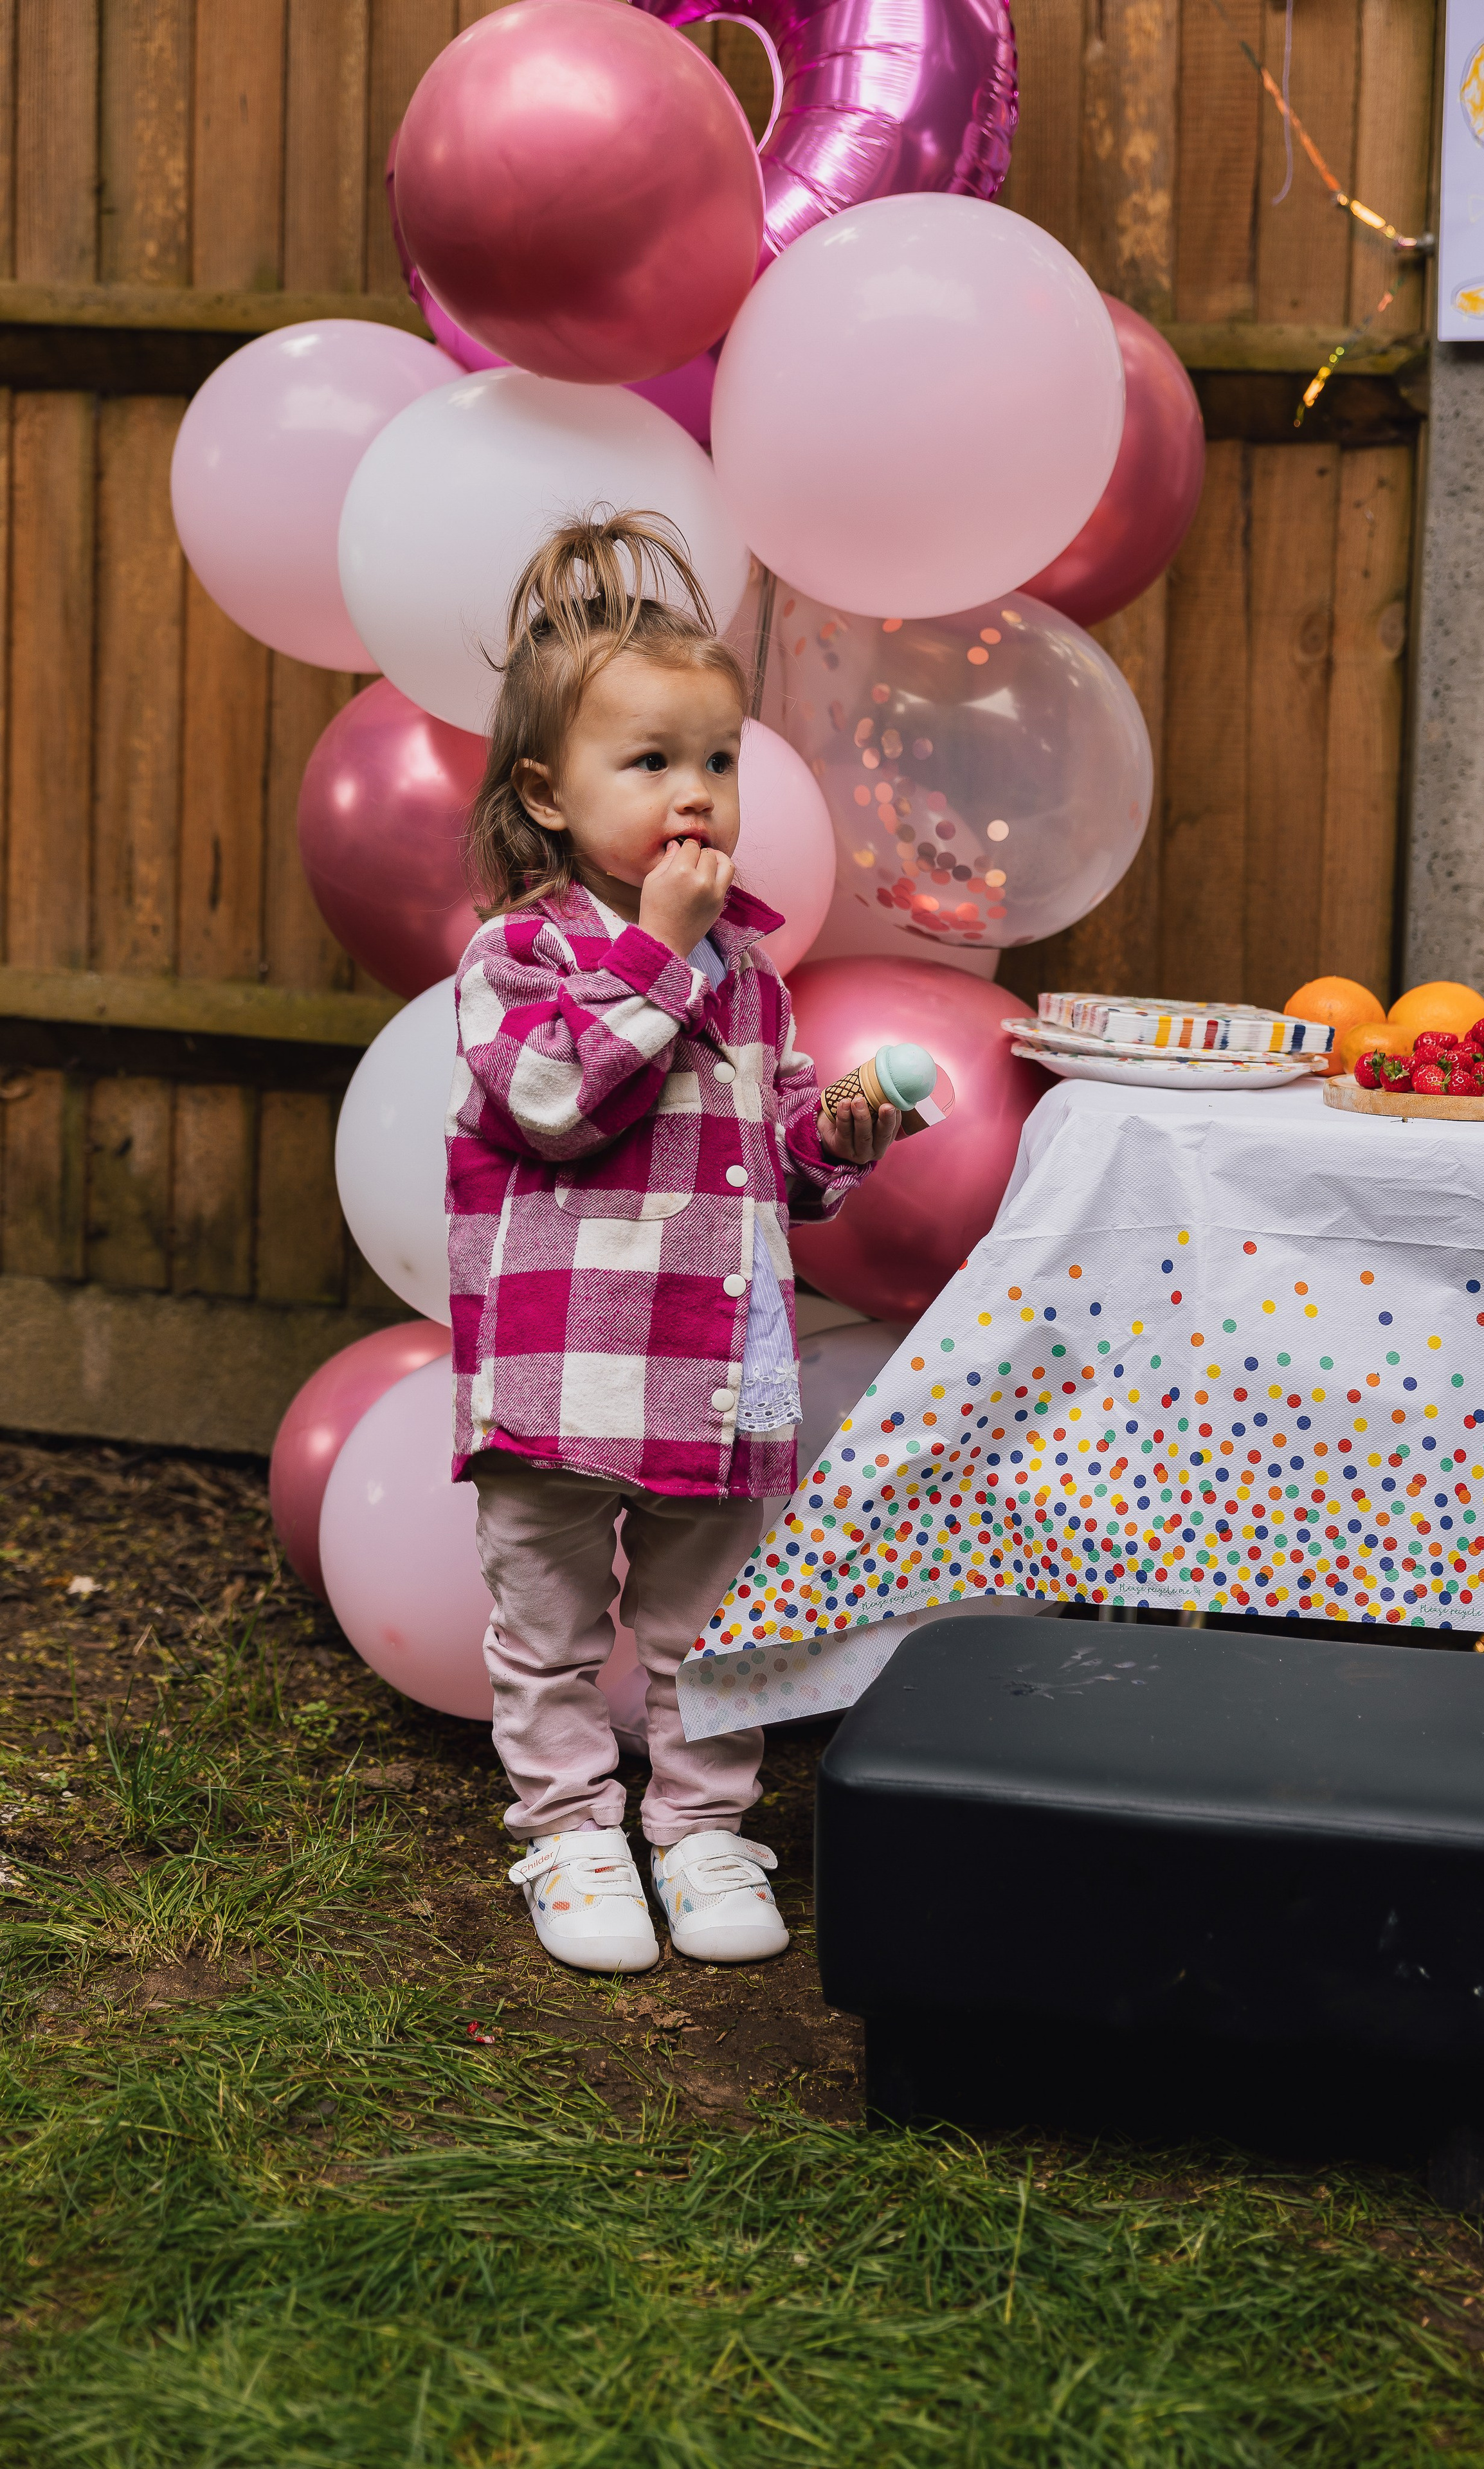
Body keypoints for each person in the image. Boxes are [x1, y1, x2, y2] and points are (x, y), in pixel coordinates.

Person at [448, 509, 897, 1976]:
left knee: (710, 1617)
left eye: (716, 761)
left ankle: (701, 1828)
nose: (692, 794)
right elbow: (550, 1103)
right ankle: (572, 1829)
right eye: (648, 764)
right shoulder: (524, 953)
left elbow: (766, 1158)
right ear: (550, 793)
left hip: (717, 1357)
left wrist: (830, 1139)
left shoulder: (750, 965)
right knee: (550, 1620)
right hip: (564, 1363)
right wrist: (651, 951)